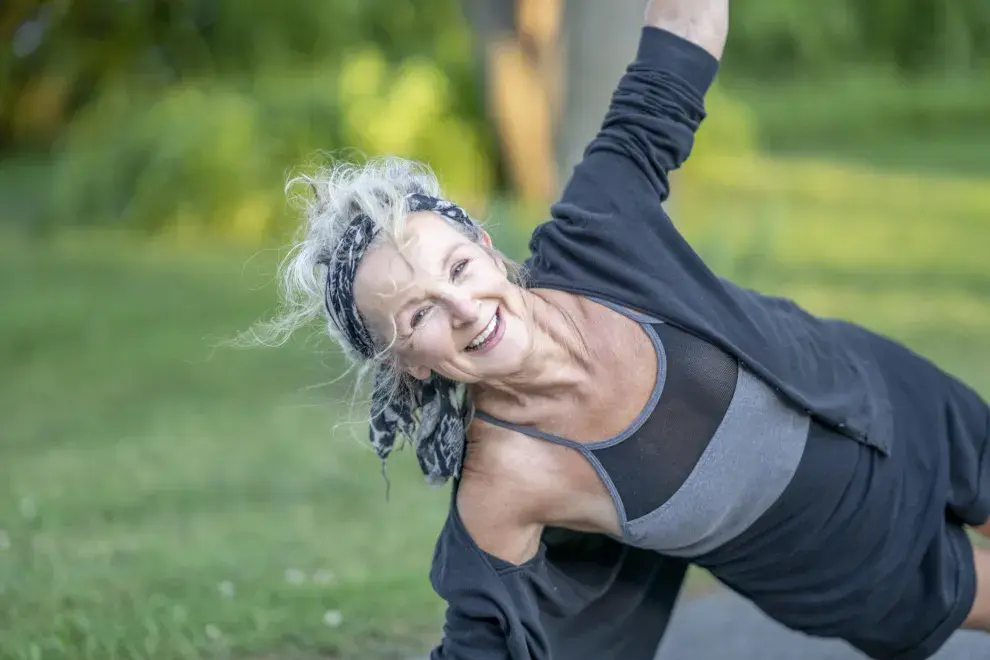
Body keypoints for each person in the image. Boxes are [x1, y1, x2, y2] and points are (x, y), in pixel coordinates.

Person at [257, 0, 990, 658]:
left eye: (457, 267)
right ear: (406, 363)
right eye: (419, 314)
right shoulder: (503, 484)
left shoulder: (597, 231)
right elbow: (481, 643)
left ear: (484, 245)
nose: (464, 308)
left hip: (896, 402)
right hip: (851, 569)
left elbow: (681, 36)